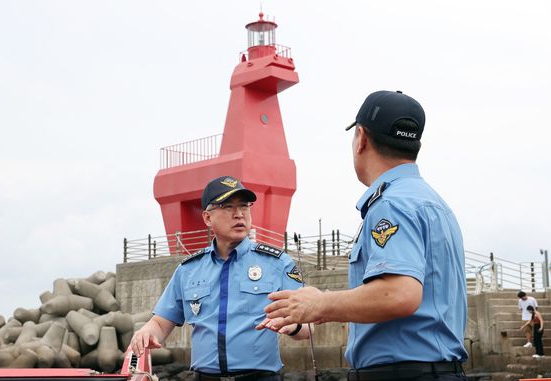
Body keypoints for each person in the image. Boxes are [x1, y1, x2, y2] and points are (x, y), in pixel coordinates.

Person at [263, 90, 468, 380]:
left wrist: (319, 303)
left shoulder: (391, 204)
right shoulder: (434, 204)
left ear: (362, 138)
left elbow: (400, 295)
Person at [130, 176, 310, 381]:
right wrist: (146, 332)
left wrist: (294, 326)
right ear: (207, 218)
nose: (239, 214)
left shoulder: (278, 263)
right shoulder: (188, 270)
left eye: (244, 206)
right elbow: (161, 323)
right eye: (227, 207)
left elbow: (308, 325)